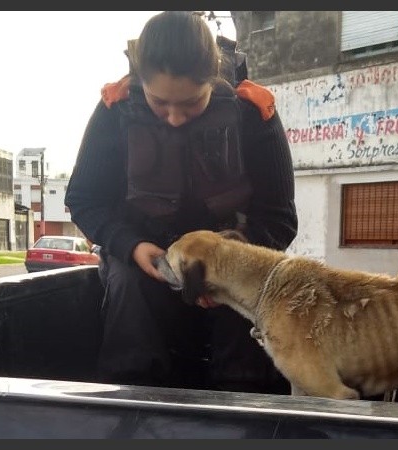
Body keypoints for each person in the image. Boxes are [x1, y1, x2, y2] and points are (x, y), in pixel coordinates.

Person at [65, 11, 297, 394]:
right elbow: (85, 199)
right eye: (160, 103)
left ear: (214, 79)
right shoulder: (116, 110)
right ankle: (129, 409)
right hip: (144, 260)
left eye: (191, 104)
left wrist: (228, 264)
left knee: (247, 316)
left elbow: (280, 218)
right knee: (127, 286)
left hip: (236, 261)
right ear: (141, 82)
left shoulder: (252, 114)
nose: (174, 118)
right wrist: (132, 246)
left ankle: (246, 415)